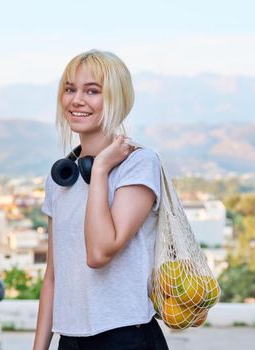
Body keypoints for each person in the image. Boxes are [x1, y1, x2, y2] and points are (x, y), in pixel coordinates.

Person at [33, 50, 169, 350]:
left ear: (116, 98)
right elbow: (53, 276)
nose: (76, 100)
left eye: (92, 91)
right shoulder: (61, 178)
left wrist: (101, 170)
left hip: (125, 338)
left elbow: (99, 253)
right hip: (70, 340)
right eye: (70, 89)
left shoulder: (138, 164)